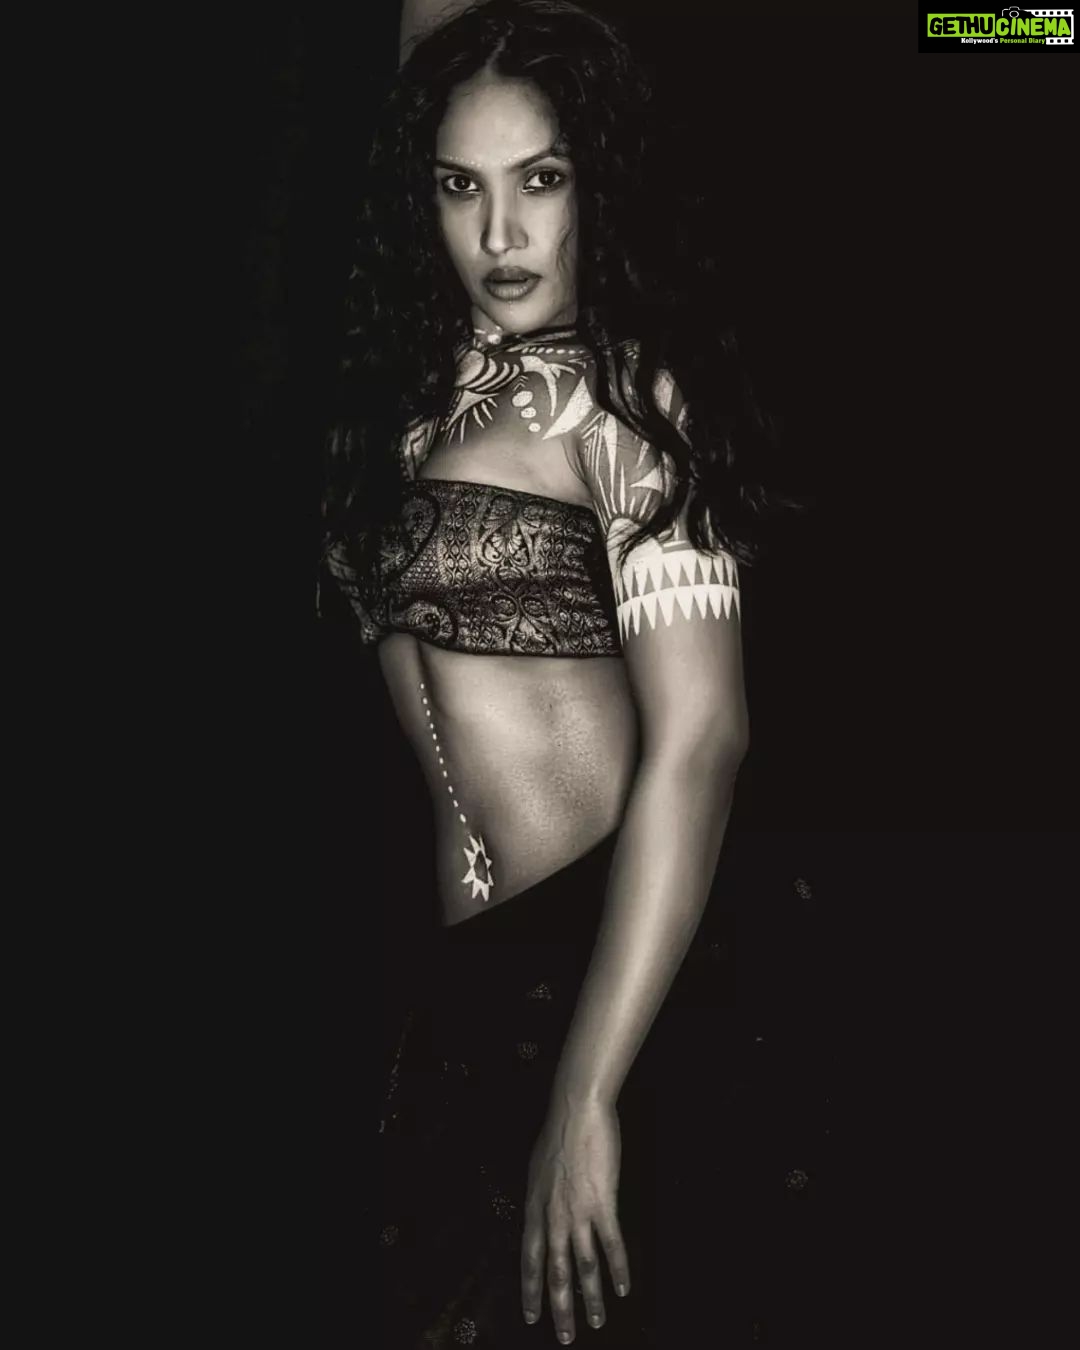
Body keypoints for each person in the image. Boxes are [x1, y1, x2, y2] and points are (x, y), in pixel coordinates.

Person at [320, 2, 796, 1343]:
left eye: (540, 179)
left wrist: (588, 1095)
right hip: (460, 995)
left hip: (614, 982)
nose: (500, 233)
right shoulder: (412, 400)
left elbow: (705, 741)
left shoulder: (630, 406)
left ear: (598, 182)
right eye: (459, 187)